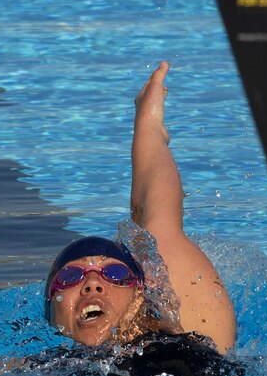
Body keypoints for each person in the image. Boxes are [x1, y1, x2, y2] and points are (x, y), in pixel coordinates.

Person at [44, 61, 237, 354]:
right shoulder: (25, 371)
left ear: (139, 299)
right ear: (51, 313)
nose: (93, 283)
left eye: (116, 275)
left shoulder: (193, 337)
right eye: (71, 276)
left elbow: (159, 217)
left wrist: (148, 124)